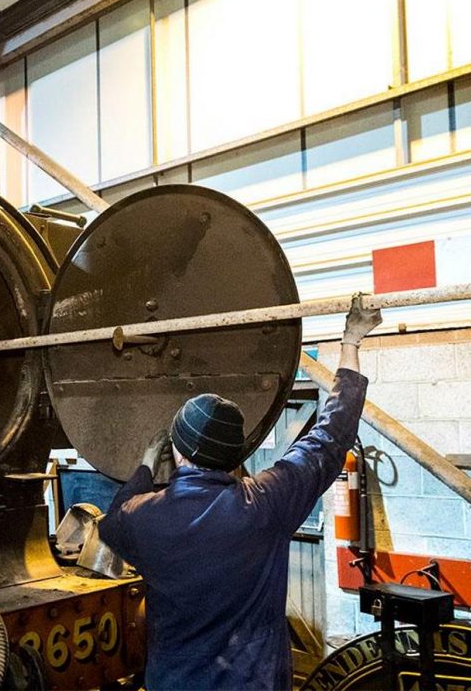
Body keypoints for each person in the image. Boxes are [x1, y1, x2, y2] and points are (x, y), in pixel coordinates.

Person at [98, 295, 382, 690]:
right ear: (237, 454)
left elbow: (110, 524)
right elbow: (331, 436)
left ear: (176, 451)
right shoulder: (265, 503)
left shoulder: (142, 516)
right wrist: (351, 340)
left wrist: (145, 467)